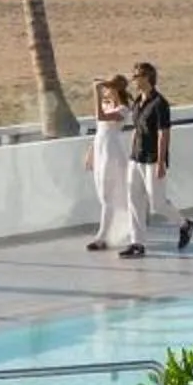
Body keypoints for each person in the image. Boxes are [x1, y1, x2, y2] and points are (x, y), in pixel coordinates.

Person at [127, 60, 193, 253]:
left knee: (157, 203)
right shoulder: (138, 101)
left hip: (153, 158)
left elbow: (164, 133)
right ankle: (137, 243)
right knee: (134, 199)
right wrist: (130, 154)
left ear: (147, 77)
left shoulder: (160, 104)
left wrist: (161, 161)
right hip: (136, 157)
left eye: (136, 76)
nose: (134, 79)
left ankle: (184, 224)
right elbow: (136, 129)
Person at [87, 75, 139, 255]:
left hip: (112, 152)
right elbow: (99, 128)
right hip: (101, 150)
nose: (106, 91)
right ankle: (106, 234)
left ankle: (101, 237)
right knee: (103, 195)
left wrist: (96, 93)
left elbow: (100, 117)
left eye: (109, 87)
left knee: (108, 195)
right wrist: (91, 153)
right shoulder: (108, 104)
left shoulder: (123, 109)